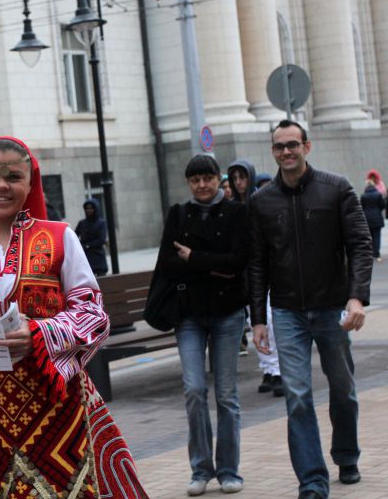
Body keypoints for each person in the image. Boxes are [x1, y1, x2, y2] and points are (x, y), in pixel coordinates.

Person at [0, 136, 149, 499]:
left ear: (30, 184)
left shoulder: (60, 238)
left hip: (58, 411)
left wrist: (39, 335)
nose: (1, 186)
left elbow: (93, 314)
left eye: (13, 176)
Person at [250, 120, 372, 499]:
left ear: (307, 146)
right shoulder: (261, 202)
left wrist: (356, 298)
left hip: (332, 306)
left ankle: (346, 456)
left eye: (292, 145)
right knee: (298, 394)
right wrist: (257, 320)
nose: (286, 152)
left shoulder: (335, 189)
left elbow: (360, 245)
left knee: (343, 389)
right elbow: (257, 264)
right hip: (287, 311)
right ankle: (313, 480)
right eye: (279, 147)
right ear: (272, 152)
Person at [159, 155, 248, 496]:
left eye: (207, 178)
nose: (202, 185)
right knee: (194, 390)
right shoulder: (180, 214)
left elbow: (238, 261)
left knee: (226, 395)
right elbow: (168, 262)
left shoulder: (238, 212)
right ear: (189, 183)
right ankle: (200, 469)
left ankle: (228, 470)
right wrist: (216, 266)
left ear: (217, 179)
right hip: (190, 315)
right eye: (195, 180)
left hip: (227, 314)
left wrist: (194, 258)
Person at [228, 160, 283, 397]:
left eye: (243, 177)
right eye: (235, 178)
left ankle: (278, 370)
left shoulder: (260, 203)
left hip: (264, 272)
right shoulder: (231, 208)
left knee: (269, 321)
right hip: (245, 275)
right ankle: (268, 369)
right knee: (256, 323)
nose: (240, 183)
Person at [75, 198, 108, 276]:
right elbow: (75, 236)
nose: (89, 210)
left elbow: (102, 239)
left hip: (98, 257)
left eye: (91, 208)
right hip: (85, 258)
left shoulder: (101, 223)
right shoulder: (82, 223)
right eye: (87, 208)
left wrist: (88, 245)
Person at [361, 179, 385, 262]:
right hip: (377, 217)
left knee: (369, 236)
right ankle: (376, 253)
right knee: (377, 236)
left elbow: (361, 207)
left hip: (367, 218)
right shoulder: (378, 194)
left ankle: (370, 252)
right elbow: (382, 205)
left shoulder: (363, 196)